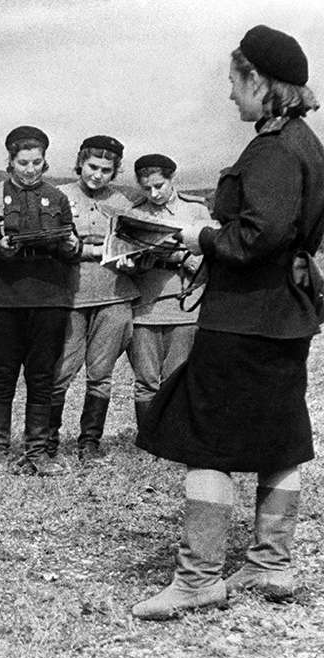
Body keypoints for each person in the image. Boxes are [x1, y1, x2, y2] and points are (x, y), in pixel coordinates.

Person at [133, 25, 323, 619]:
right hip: (287, 315)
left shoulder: (270, 150)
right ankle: (271, 563)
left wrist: (202, 237)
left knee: (207, 442)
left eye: (235, 82)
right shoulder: (305, 142)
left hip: (243, 318)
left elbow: (260, 234)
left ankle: (199, 578)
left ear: (258, 81)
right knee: (278, 439)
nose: (230, 94)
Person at [0, 126, 82, 477]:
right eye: (23, 163)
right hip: (2, 300)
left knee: (42, 377)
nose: (30, 169)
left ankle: (38, 451)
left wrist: (72, 246)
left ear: (45, 162)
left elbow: (71, 244)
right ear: (11, 162)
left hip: (49, 298)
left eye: (36, 162)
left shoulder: (57, 197)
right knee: (2, 376)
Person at [49, 135, 136, 464]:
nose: (98, 175)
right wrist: (99, 249)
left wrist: (124, 255)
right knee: (61, 371)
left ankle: (90, 443)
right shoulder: (59, 196)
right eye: (92, 166)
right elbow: (55, 245)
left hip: (114, 295)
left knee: (101, 373)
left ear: (115, 171)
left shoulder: (122, 202)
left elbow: (131, 245)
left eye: (106, 169)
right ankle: (47, 441)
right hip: (70, 296)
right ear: (80, 163)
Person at [125, 154, 209, 428]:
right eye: (146, 188)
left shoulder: (196, 210)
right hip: (144, 308)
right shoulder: (134, 213)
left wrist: (181, 257)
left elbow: (209, 259)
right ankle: (148, 439)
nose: (154, 194)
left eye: (159, 185)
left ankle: (173, 438)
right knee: (145, 381)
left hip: (184, 306)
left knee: (177, 379)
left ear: (173, 178)